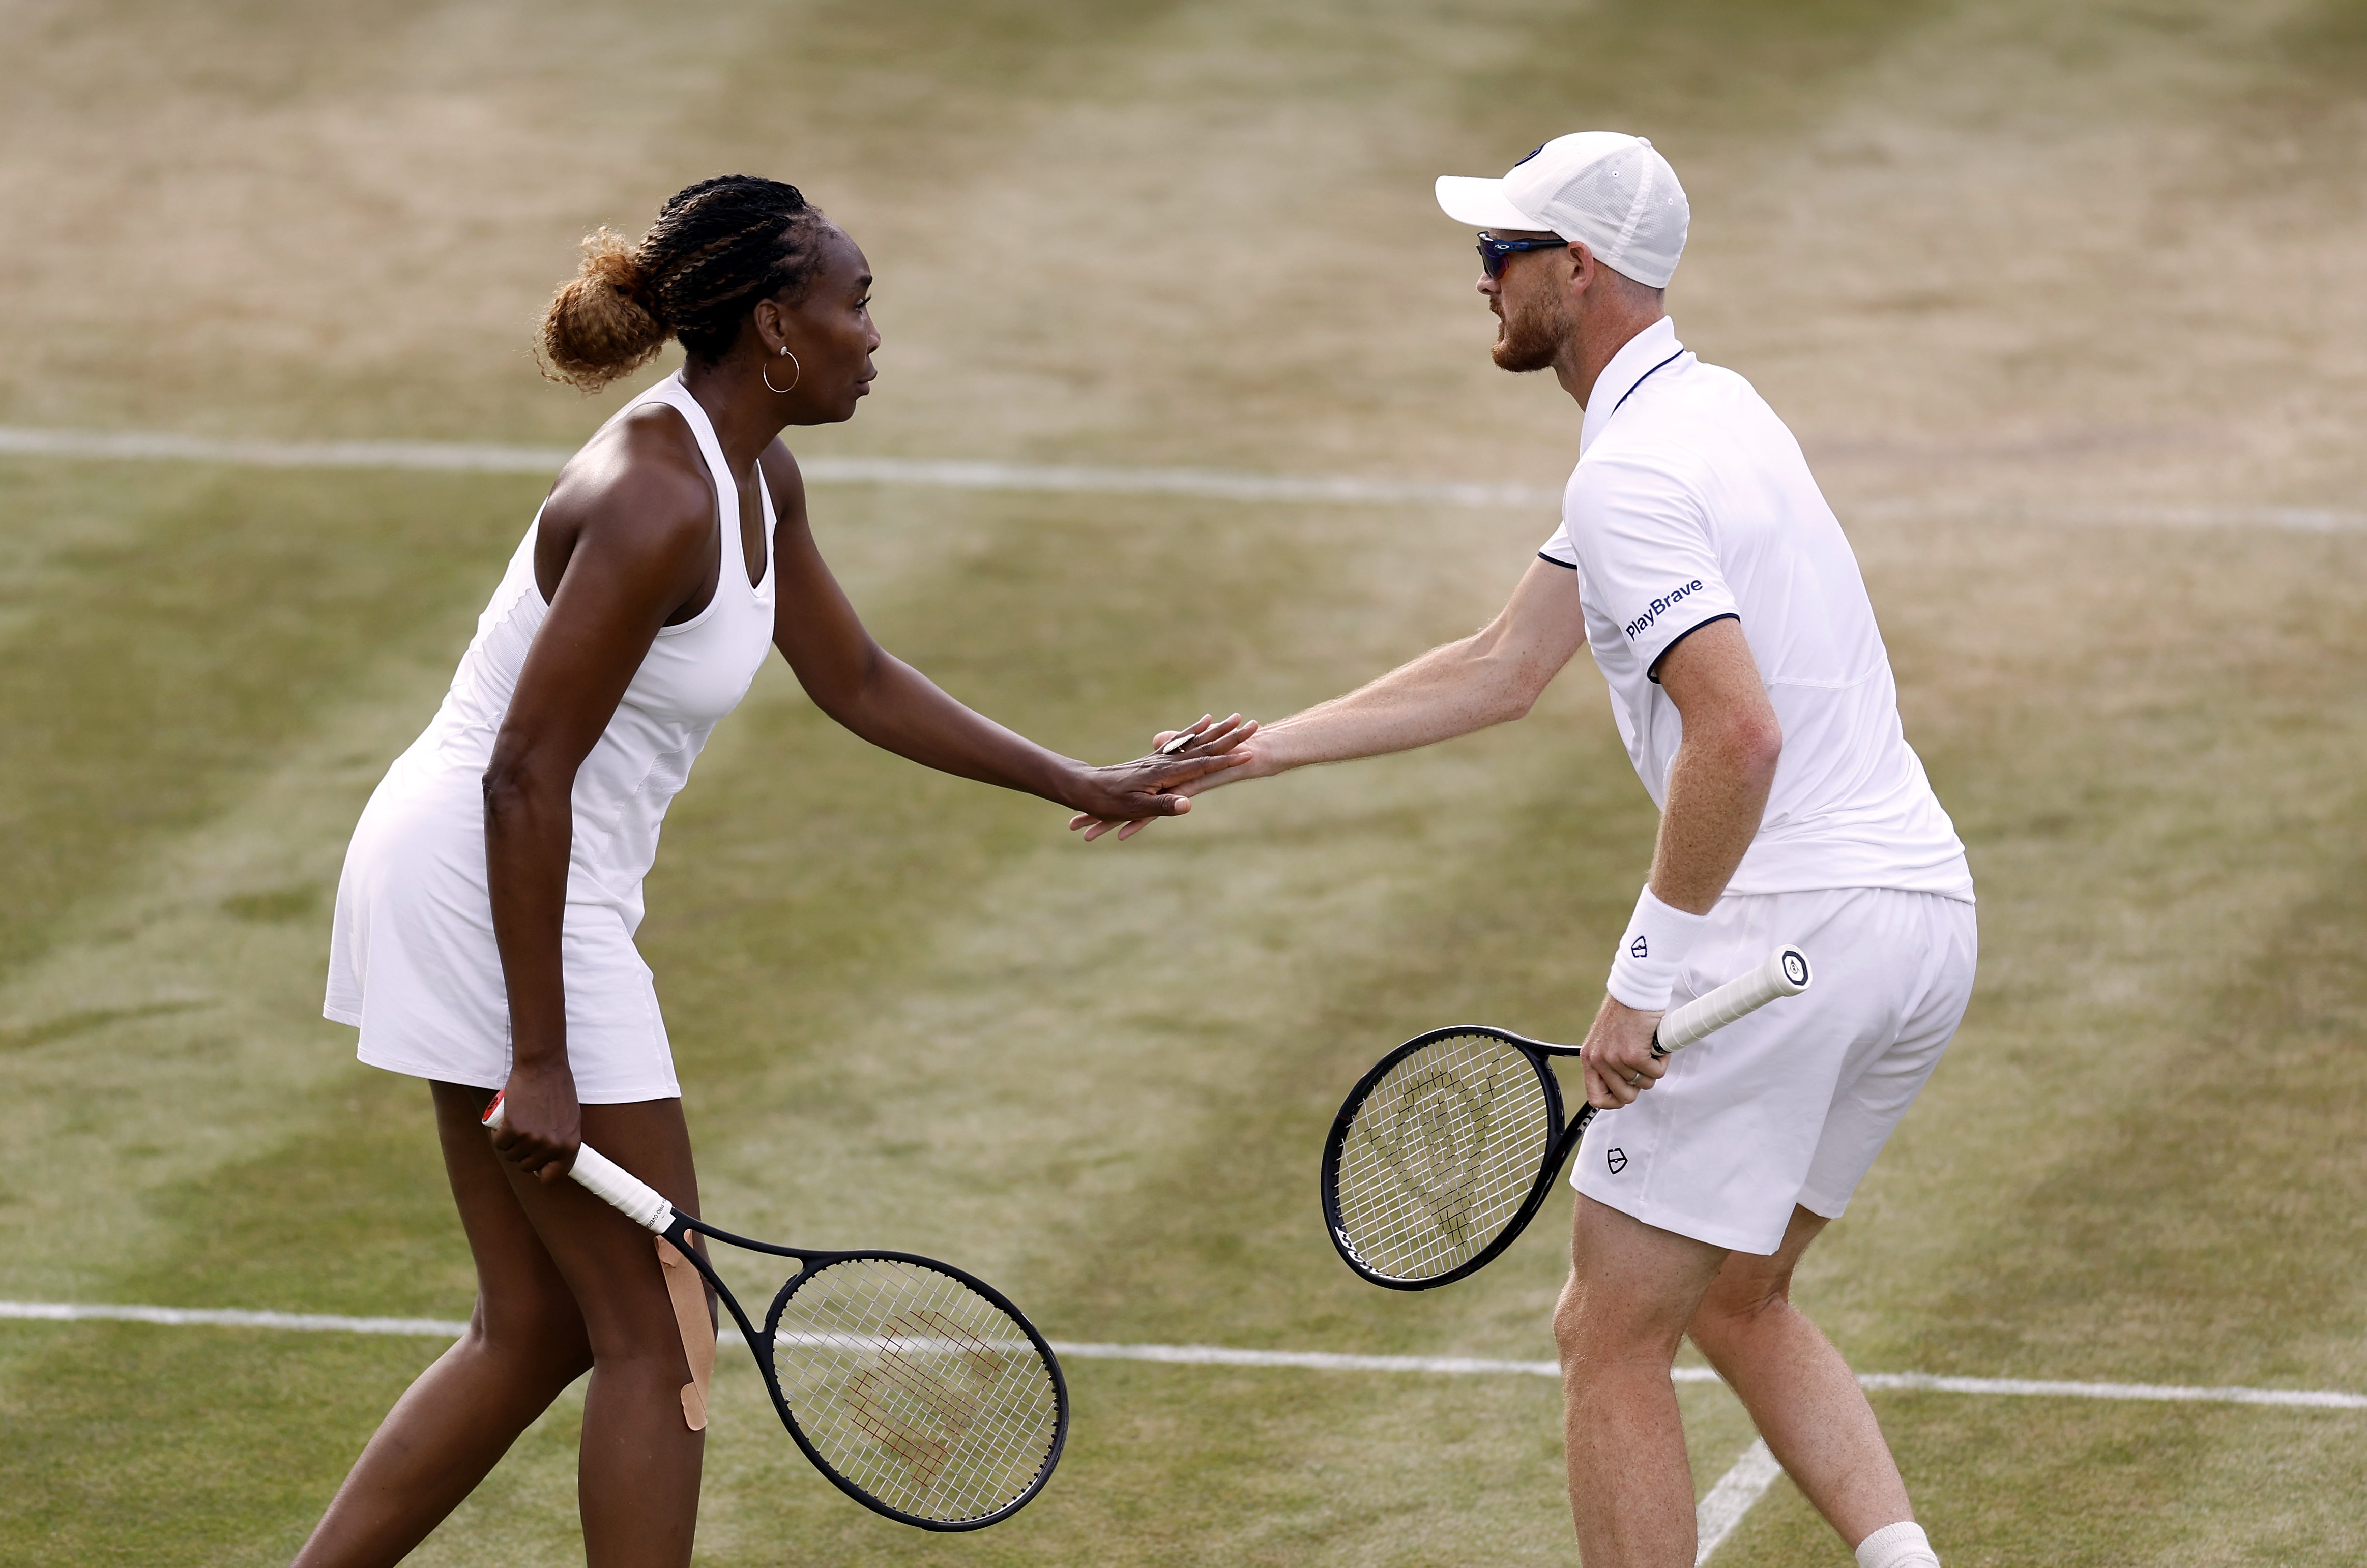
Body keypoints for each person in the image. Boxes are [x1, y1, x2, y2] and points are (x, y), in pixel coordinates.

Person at [299, 174, 1252, 1568]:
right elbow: (522, 773)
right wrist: (546, 1057)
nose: (877, 335)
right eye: (854, 304)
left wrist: (1081, 775)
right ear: (774, 328)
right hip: (492, 878)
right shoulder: (652, 499)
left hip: (502, 869)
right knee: (664, 1330)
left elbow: (855, 677)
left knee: (542, 1326)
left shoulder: (756, 475)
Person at [1074, 133, 1973, 1568]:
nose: (1480, 277)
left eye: (1503, 254)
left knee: (1605, 1334)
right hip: (1921, 918)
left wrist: (1644, 979)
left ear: (1581, 270)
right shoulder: (1714, 415)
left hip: (1787, 930)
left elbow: (1737, 738)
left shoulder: (1633, 477)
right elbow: (1503, 663)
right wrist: (1242, 756)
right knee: (1738, 1296)